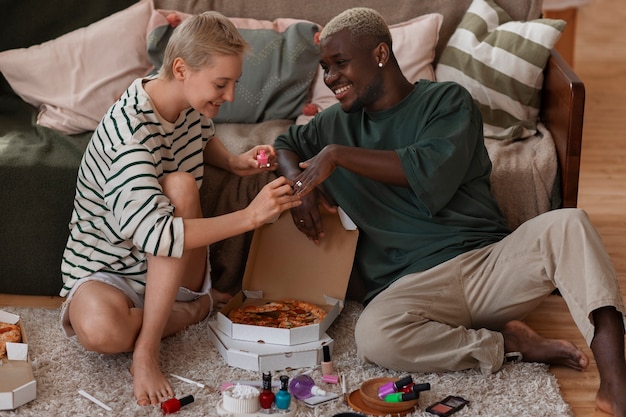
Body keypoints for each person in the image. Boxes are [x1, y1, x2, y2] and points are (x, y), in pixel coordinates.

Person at [273, 7, 626, 416]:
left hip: (487, 267)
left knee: (571, 224)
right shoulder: (333, 124)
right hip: (411, 287)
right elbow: (287, 142)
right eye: (325, 68)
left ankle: (616, 385)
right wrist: (301, 193)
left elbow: (428, 172)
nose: (330, 78)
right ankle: (505, 343)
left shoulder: (447, 100)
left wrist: (336, 156)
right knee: (373, 336)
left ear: (381, 54)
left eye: (340, 64)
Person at [59, 12, 301, 406]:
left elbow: (203, 142)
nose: (230, 97)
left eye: (233, 83)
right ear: (181, 69)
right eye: (221, 84)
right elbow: (157, 235)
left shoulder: (189, 107)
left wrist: (236, 162)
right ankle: (190, 313)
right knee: (102, 333)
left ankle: (146, 347)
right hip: (109, 270)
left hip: (175, 271)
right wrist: (251, 215)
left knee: (180, 183)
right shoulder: (130, 136)